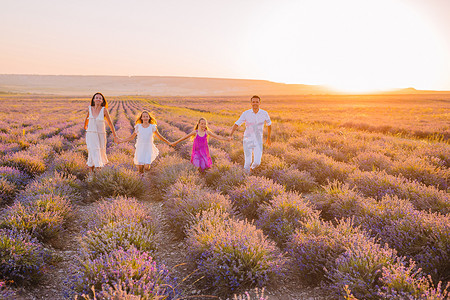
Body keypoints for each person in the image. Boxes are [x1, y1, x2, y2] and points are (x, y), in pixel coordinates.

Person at [119, 111, 171, 176]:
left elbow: (160, 137)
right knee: (140, 169)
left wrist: (168, 142)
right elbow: (131, 137)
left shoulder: (152, 127)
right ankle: (142, 180)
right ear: (141, 118)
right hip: (140, 148)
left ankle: (147, 176)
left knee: (146, 167)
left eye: (147, 116)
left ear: (149, 118)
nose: (145, 118)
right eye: (144, 116)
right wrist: (121, 140)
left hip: (148, 148)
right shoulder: (138, 126)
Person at [229, 95, 271, 173]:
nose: (255, 103)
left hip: (258, 140)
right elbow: (237, 123)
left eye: (257, 102)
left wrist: (268, 138)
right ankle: (246, 177)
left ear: (260, 103)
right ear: (251, 103)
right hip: (247, 139)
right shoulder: (246, 113)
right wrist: (230, 134)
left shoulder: (264, 113)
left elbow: (269, 125)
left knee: (257, 162)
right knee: (248, 161)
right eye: (253, 102)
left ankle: (252, 168)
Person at [84, 92, 118, 175]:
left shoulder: (104, 110)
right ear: (93, 99)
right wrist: (86, 127)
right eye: (96, 97)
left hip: (100, 135)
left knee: (100, 152)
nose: (98, 99)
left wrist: (115, 136)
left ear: (102, 101)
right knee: (92, 151)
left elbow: (110, 123)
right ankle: (92, 174)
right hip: (91, 135)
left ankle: (99, 173)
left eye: (100, 98)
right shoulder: (90, 108)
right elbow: (86, 120)